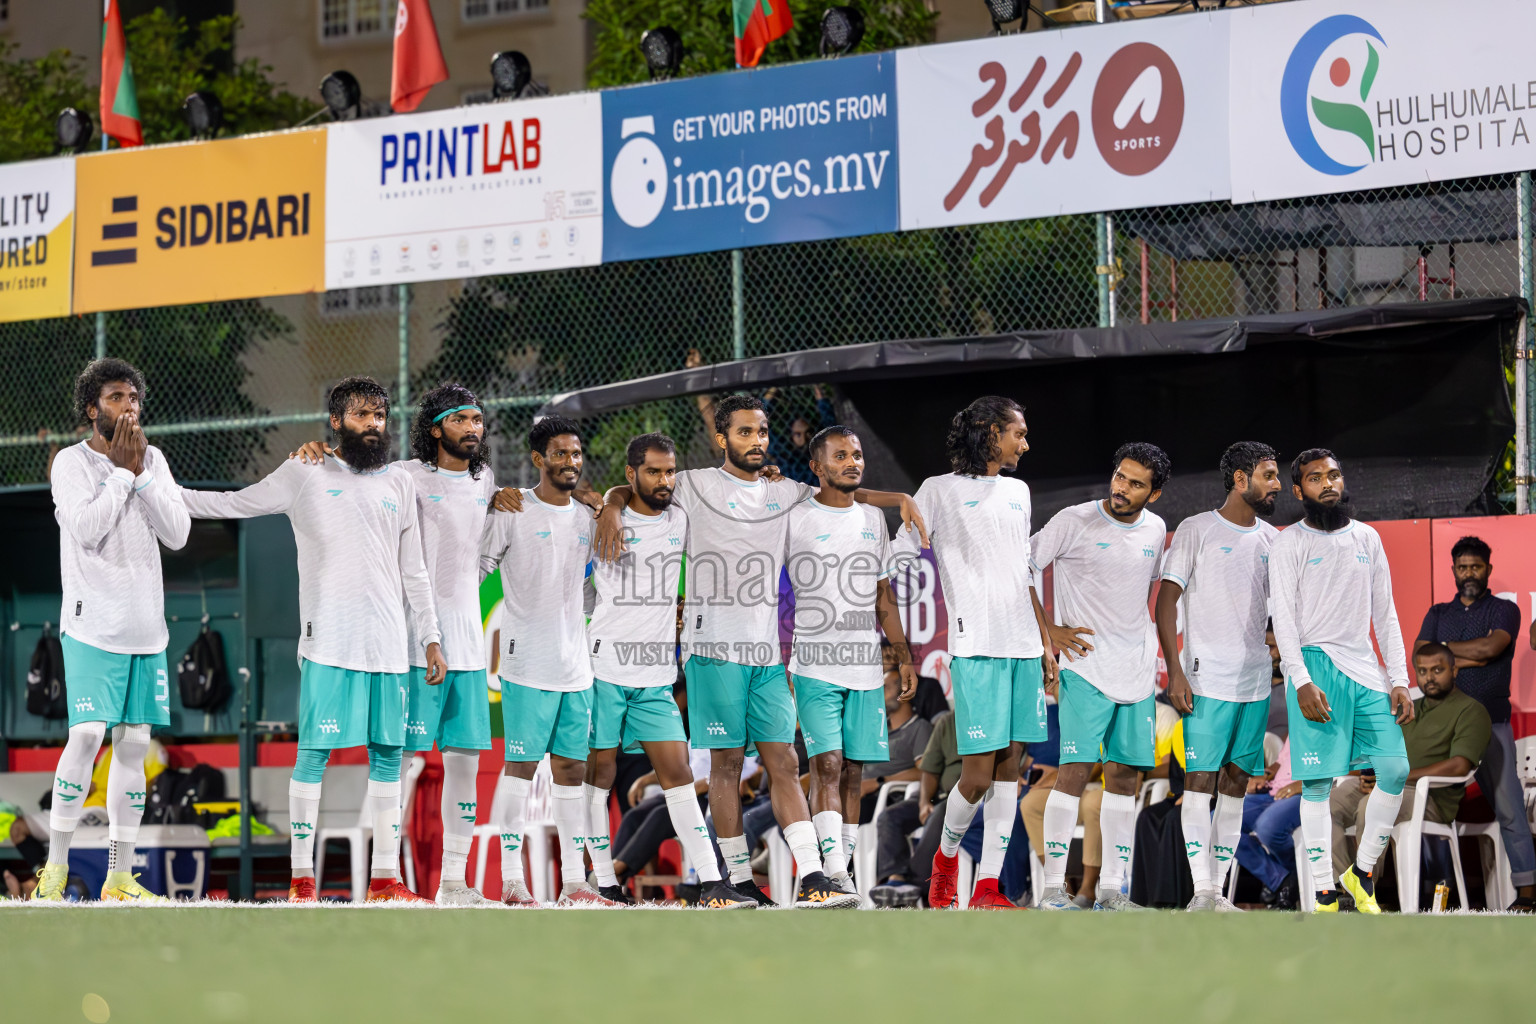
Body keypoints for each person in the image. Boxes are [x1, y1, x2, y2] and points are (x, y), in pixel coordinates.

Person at [591, 393, 922, 910]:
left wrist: (896, 500)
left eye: (762, 432)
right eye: (744, 432)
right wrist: (612, 504)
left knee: (785, 762)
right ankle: (736, 881)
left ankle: (815, 877)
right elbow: (637, 483)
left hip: (767, 654)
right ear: (721, 438)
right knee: (724, 764)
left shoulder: (786, 491)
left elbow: (840, 492)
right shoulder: (695, 485)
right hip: (712, 648)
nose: (757, 441)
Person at [184, 377, 445, 902]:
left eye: (379, 416)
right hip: (329, 643)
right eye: (361, 415)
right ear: (335, 422)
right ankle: (302, 880)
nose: (373, 425)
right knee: (313, 755)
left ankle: (385, 880)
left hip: (391, 647)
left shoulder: (398, 483)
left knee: (388, 757)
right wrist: (155, 491)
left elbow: (414, 571)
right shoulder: (304, 470)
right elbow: (236, 504)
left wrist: (431, 639)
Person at [34, 359, 190, 904]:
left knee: (135, 747)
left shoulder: (156, 460)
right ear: (91, 409)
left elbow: (178, 533)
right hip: (91, 625)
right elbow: (86, 528)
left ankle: (120, 877)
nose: (129, 406)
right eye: (117, 397)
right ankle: (53, 870)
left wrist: (142, 473)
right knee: (86, 735)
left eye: (134, 398)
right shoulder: (70, 464)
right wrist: (123, 472)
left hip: (148, 632)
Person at [581, 432, 756, 910]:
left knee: (677, 774)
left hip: (656, 676)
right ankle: (601, 883)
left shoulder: (680, 518)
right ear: (630, 473)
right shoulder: (602, 519)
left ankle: (711, 885)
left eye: (669, 471)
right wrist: (612, 506)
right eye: (653, 471)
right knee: (599, 774)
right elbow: (580, 589)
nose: (664, 480)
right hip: (604, 668)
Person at [899, 396, 1055, 911]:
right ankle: (944, 862)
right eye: (1019, 434)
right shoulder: (938, 490)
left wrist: (1046, 644)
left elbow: (1024, 572)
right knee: (978, 774)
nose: (1025, 444)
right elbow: (900, 551)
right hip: (978, 646)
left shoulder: (1019, 490)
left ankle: (988, 887)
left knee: (1011, 766)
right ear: (990, 432)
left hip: (1024, 648)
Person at [479, 417, 616, 907]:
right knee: (519, 766)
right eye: (560, 454)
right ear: (539, 459)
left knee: (571, 772)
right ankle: (512, 880)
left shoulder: (589, 516)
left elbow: (585, 587)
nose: (571, 462)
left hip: (575, 667)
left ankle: (576, 883)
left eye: (576, 454)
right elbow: (478, 567)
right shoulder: (514, 508)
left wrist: (605, 504)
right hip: (525, 664)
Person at [1270, 448, 1413, 914]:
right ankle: (1322, 889)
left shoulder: (1367, 538)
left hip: (1366, 670)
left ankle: (1363, 872)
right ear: (1299, 490)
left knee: (1393, 770)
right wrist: (1300, 680)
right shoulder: (1289, 542)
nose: (1328, 484)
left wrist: (1398, 678)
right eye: (1315, 478)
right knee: (1316, 786)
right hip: (1314, 668)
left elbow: (1386, 615)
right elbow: (1285, 623)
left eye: (1333, 475)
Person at [1031, 442, 1171, 911]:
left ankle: (1113, 890)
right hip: (1085, 667)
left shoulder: (1156, 528)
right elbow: (1024, 566)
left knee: (1124, 779)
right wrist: (1049, 628)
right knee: (1071, 774)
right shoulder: (1074, 520)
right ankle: (1052, 889)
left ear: (1153, 495)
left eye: (1136, 484)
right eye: (1120, 477)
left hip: (1136, 671)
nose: (1122, 489)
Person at [784, 425, 920, 892]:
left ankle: (841, 871)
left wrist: (902, 657)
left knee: (854, 771)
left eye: (857, 454)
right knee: (827, 763)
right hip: (814, 666)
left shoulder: (871, 520)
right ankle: (834, 874)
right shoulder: (793, 517)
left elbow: (884, 595)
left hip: (865, 668)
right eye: (840, 456)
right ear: (817, 468)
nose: (852, 462)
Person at [1155, 441, 1282, 911]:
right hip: (1205, 681)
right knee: (1200, 783)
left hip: (1254, 685)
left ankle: (1218, 890)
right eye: (1269, 475)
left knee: (1233, 787)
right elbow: (1165, 601)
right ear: (1240, 479)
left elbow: (1280, 614)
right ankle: (1201, 890)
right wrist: (1176, 670)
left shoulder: (1274, 539)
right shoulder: (1196, 529)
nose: (1277, 485)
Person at [1416, 536, 1534, 911]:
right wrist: (1466, 657)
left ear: (1489, 569)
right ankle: (1439, 898)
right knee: (1423, 804)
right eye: (1463, 567)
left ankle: (1528, 894)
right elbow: (1422, 654)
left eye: (1476, 567)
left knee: (1509, 807)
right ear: (1453, 571)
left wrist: (1445, 654)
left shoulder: (1503, 611)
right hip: (1443, 728)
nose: (1469, 573)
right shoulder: (1437, 613)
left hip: (1491, 723)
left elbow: (1491, 649)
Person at [1330, 642, 1492, 900]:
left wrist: (1395, 777)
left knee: (1371, 805)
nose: (1429, 677)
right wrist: (1369, 774)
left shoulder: (1471, 710)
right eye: (1423, 670)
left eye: (1437, 670)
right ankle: (1343, 891)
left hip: (1431, 798)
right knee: (1330, 803)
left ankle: (1362, 890)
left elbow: (1460, 765)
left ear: (1454, 669)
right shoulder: (1408, 706)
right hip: (1391, 785)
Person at [868, 706, 964, 907]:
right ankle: (896, 880)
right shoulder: (948, 722)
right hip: (935, 795)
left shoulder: (995, 719)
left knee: (941, 812)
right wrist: (923, 803)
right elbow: (929, 770)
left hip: (965, 798)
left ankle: (915, 887)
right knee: (890, 816)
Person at [854, 654, 933, 823]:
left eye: (885, 689)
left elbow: (924, 772)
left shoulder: (919, 728)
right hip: (857, 792)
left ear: (903, 693)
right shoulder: (878, 730)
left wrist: (879, 782)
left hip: (885, 796)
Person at [1233, 736, 1303, 909]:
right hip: (1273, 790)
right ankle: (1282, 879)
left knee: (1267, 827)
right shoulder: (1297, 719)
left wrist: (1303, 784)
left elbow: (1343, 765)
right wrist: (1264, 775)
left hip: (1305, 792)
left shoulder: (1337, 720)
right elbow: (1281, 761)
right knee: (1219, 824)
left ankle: (1288, 879)